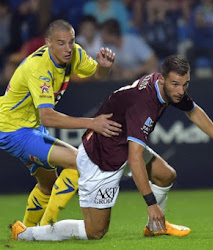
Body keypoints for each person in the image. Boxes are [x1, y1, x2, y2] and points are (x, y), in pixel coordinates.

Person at [10, 55, 213, 241]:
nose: (181, 91)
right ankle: (26, 233)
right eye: (176, 84)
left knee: (166, 175)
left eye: (185, 84)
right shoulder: (144, 103)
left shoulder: (167, 88)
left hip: (121, 145)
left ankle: (155, 228)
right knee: (95, 232)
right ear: (163, 79)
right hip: (101, 158)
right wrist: (151, 204)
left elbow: (193, 111)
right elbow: (135, 159)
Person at [0, 19, 122, 228]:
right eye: (61, 43)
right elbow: (48, 116)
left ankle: (25, 232)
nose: (67, 48)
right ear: (48, 42)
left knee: (47, 185)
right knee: (78, 161)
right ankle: (47, 227)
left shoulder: (75, 53)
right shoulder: (38, 67)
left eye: (71, 42)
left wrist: (103, 68)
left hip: (30, 126)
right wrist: (92, 123)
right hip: (13, 128)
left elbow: (96, 74)